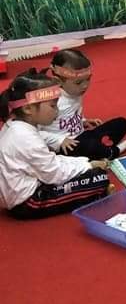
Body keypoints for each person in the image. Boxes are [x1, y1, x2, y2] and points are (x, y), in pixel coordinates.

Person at [0, 71, 110, 218]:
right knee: (99, 178)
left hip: (22, 189)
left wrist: (84, 162)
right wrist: (87, 166)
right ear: (28, 109)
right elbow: (54, 174)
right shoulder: (25, 138)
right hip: (29, 202)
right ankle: (96, 195)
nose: (57, 113)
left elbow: (51, 160)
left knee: (82, 167)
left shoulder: (14, 126)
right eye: (53, 106)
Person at [40, 48, 126, 158]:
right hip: (66, 147)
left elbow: (72, 113)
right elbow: (34, 132)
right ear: (58, 81)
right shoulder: (51, 102)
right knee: (89, 145)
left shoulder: (75, 92)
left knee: (121, 123)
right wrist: (60, 140)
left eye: (88, 79)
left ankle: (101, 150)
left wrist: (83, 121)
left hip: (82, 136)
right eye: (78, 82)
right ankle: (112, 152)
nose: (85, 85)